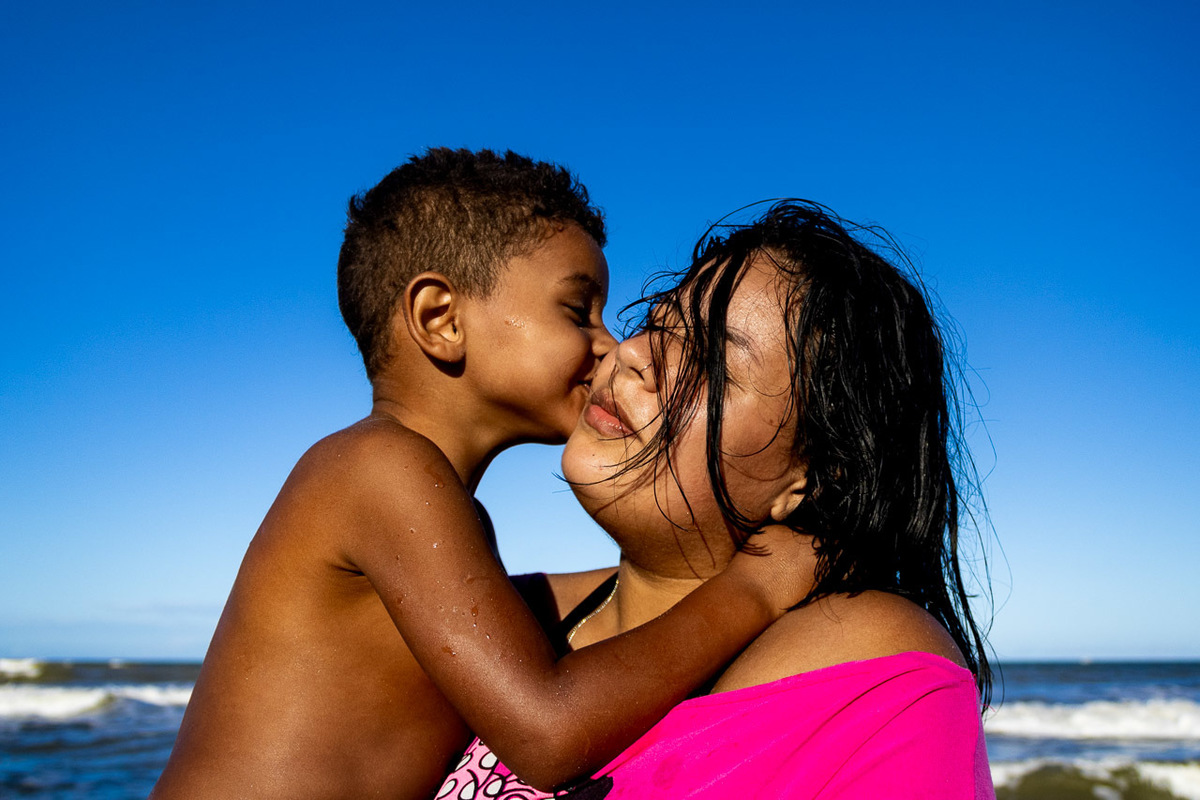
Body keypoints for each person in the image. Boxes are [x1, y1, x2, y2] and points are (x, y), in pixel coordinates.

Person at [151, 150, 814, 800]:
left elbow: (593, 595)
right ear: (441, 321)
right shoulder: (382, 468)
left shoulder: (415, 492)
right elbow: (548, 733)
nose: (611, 345)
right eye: (576, 310)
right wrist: (752, 589)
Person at [436, 200, 995, 799]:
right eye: (659, 325)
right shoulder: (505, 615)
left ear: (811, 477)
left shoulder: (872, 676)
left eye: (711, 361)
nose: (633, 353)